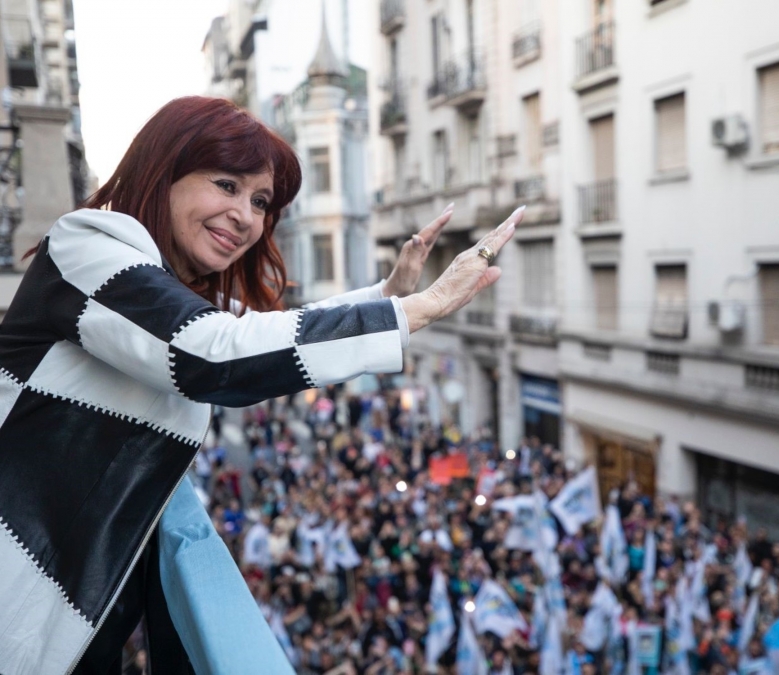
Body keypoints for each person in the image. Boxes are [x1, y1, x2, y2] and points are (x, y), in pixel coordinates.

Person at [0, 96, 523, 675]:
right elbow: (209, 351)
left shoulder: (171, 291)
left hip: (72, 625)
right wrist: (415, 311)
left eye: (260, 201)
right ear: (162, 171)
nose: (247, 216)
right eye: (225, 184)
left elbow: (248, 333)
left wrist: (387, 299)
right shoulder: (87, 245)